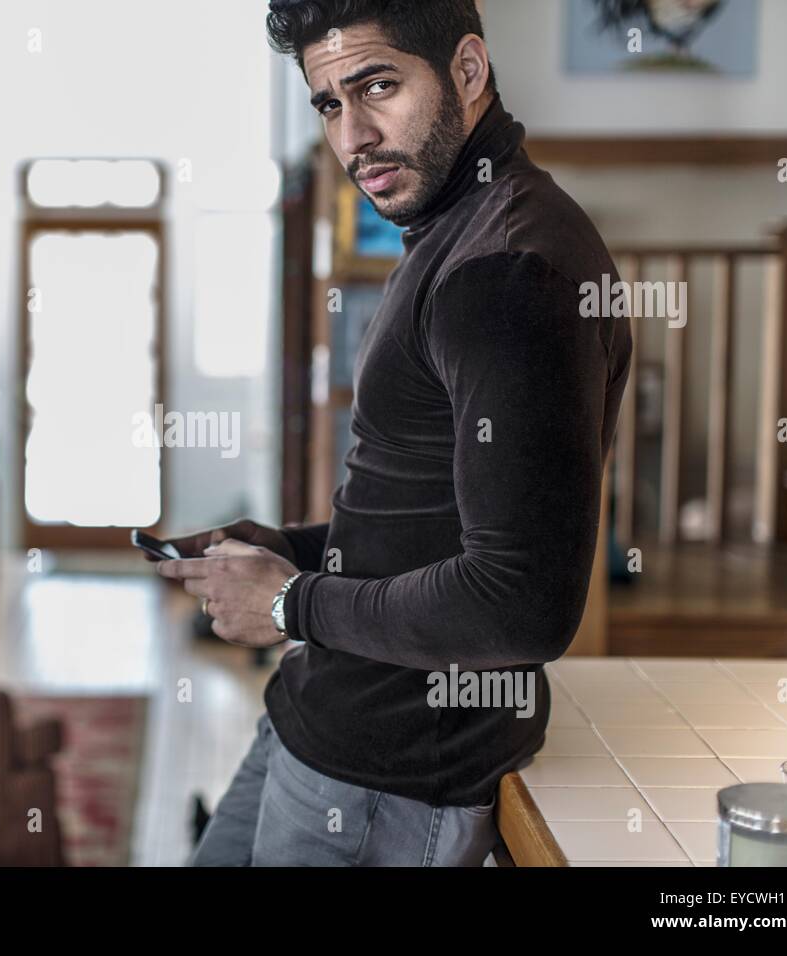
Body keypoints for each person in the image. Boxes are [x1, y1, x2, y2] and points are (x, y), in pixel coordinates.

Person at [153, 0, 632, 866]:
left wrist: (288, 603)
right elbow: (425, 517)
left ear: (469, 70)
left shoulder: (507, 271)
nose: (354, 137)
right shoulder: (458, 228)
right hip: (323, 723)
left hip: (391, 777)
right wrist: (288, 551)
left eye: (378, 86)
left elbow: (520, 607)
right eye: (329, 103)